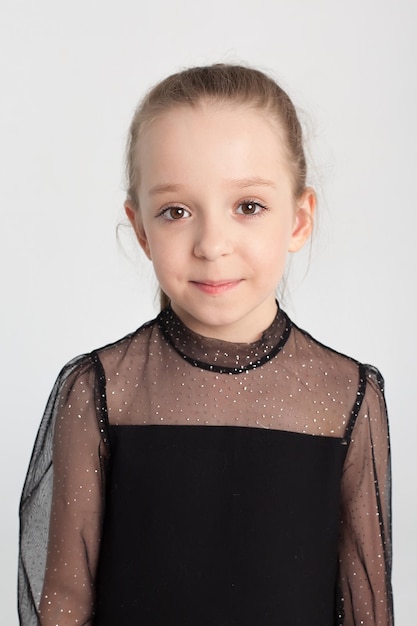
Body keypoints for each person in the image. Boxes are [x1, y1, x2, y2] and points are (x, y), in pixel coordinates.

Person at [18, 64, 393, 626]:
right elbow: (65, 601)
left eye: (248, 206)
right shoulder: (101, 391)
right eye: (176, 211)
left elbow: (368, 605)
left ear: (299, 218)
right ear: (140, 228)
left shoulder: (346, 397)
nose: (212, 244)